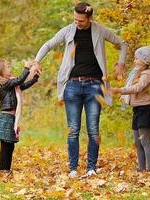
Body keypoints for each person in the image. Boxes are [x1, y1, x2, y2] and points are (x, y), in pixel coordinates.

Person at [35, 2, 128, 178]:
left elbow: (122, 43)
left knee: (93, 128)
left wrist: (121, 63)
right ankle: (73, 168)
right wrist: (36, 61)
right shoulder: (68, 30)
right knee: (73, 129)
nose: (78, 23)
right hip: (72, 85)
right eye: (75, 19)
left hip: (94, 86)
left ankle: (91, 168)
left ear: (89, 18)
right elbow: (48, 45)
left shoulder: (100, 30)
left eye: (81, 21)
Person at [0, 59, 41, 175]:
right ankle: (3, 171)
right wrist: (26, 68)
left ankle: (6, 170)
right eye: (7, 67)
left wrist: (34, 78)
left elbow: (22, 85)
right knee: (5, 147)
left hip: (11, 119)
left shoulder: (10, 83)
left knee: (10, 146)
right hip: (6, 118)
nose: (9, 69)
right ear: (0, 71)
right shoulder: (3, 84)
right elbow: (20, 80)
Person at [110, 46, 150, 173]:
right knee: (138, 142)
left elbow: (138, 88)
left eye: (137, 58)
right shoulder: (135, 72)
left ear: (145, 60)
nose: (135, 61)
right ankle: (141, 169)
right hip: (137, 110)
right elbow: (130, 84)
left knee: (144, 141)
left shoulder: (147, 74)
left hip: (145, 110)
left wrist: (120, 90)